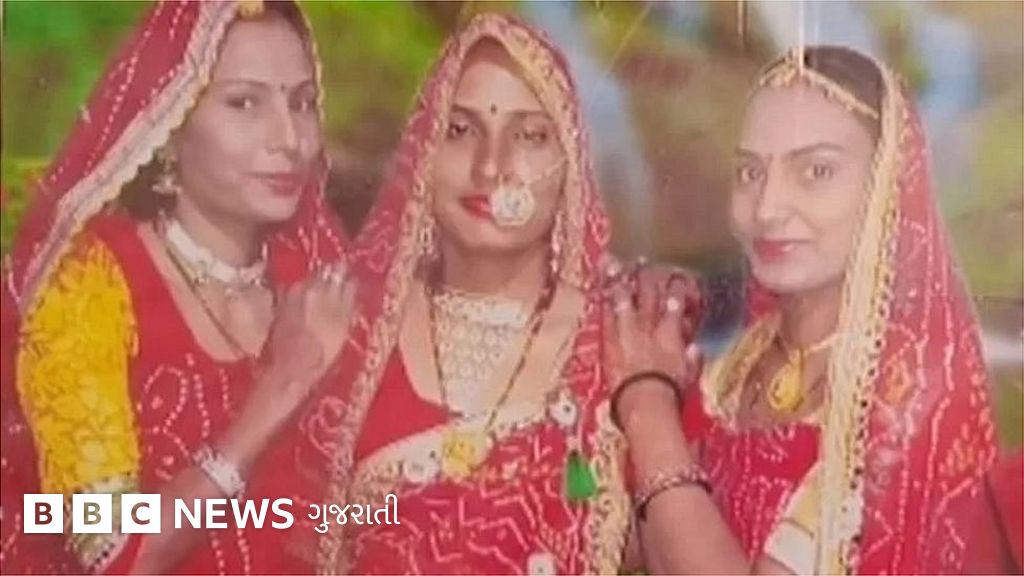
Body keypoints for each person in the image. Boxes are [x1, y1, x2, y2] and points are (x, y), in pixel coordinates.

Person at [274, 13, 694, 574]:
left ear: (569, 165)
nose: (491, 165)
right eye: (459, 130)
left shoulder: (627, 341)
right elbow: (275, 529)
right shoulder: (344, 329)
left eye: (530, 135)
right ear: (422, 152)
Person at [605, 45, 997, 574]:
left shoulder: (909, 394)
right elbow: (628, 542)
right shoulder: (740, 363)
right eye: (750, 173)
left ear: (888, 187)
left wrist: (646, 401)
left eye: (815, 170)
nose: (767, 209)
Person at [1, 1, 352, 573]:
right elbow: (113, 553)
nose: (289, 138)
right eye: (245, 103)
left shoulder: (320, 283)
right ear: (168, 123)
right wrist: (282, 386)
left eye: (302, 103)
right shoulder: (90, 285)